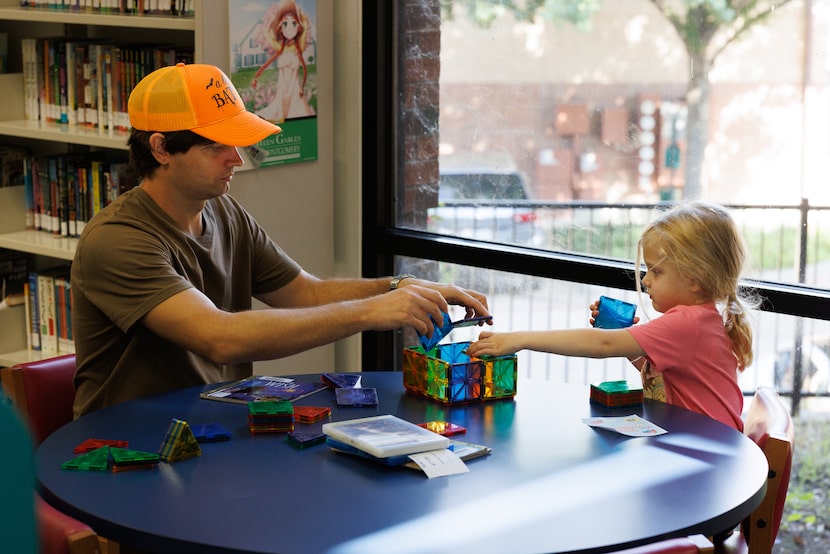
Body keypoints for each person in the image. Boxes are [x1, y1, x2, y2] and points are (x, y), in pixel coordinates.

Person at [71, 62, 489, 418]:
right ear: (161, 149)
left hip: (211, 432)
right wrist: (373, 312)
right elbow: (220, 338)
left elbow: (305, 293)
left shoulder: (223, 210)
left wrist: (399, 288)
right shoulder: (118, 241)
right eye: (218, 146)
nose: (237, 159)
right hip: (129, 451)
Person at [467, 201, 758, 430]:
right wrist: (631, 346)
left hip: (707, 457)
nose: (646, 281)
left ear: (696, 279)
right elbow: (664, 377)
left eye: (656, 271)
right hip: (704, 447)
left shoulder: (688, 322)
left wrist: (518, 339)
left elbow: (602, 345)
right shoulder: (699, 317)